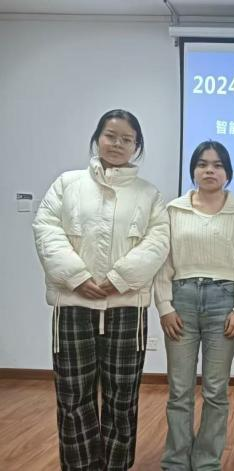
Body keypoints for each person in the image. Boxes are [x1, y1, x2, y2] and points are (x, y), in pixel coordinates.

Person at [32, 109, 170, 470]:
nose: (117, 144)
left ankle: (115, 465)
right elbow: (46, 229)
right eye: (111, 136)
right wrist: (77, 276)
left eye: (127, 139)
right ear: (97, 138)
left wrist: (119, 279)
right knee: (73, 396)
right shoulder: (67, 184)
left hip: (127, 307)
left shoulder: (149, 194)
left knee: (122, 398)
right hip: (73, 303)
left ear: (136, 146)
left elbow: (158, 241)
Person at [155, 140, 234, 470]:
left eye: (217, 165)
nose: (209, 170)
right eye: (202, 164)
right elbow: (163, 263)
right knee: (179, 390)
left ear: (228, 172)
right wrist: (165, 306)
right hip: (181, 300)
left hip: (223, 302)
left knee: (215, 390)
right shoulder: (174, 210)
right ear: (193, 170)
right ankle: (175, 461)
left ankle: (206, 462)